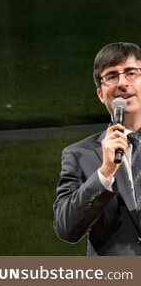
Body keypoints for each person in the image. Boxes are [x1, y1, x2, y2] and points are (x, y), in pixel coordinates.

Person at [54, 41, 141, 256]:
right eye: (111, 76)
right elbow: (66, 228)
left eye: (131, 73)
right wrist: (104, 173)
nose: (123, 83)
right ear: (101, 94)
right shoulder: (79, 155)